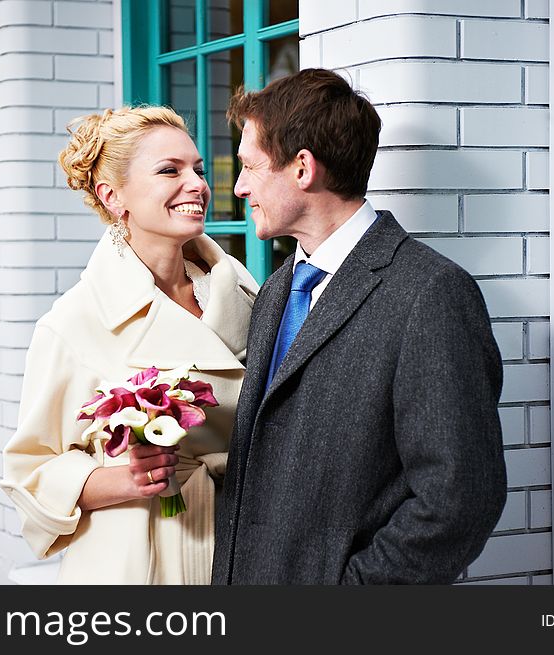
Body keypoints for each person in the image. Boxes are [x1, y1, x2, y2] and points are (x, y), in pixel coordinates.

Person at [211, 68, 507, 585]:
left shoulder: (431, 294)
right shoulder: (277, 290)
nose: (238, 188)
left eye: (250, 167)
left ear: (302, 167)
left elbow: (460, 499)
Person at [0, 106, 258, 584]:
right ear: (112, 195)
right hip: (142, 560)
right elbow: (30, 473)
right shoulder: (74, 322)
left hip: (246, 543)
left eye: (198, 170)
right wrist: (123, 480)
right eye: (169, 170)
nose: (197, 184)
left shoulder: (239, 286)